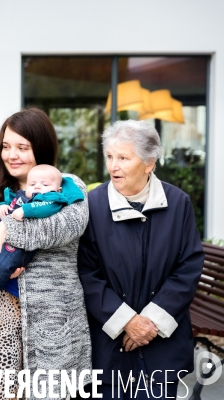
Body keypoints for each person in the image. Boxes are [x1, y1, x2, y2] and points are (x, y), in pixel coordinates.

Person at [0, 108, 92, 399]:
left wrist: (6, 228)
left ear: (41, 148)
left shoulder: (66, 186)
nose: (11, 155)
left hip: (50, 322)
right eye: (6, 146)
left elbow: (63, 227)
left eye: (22, 147)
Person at [77, 120, 204, 399]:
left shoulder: (178, 203)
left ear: (149, 164)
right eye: (110, 156)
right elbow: (85, 272)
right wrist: (126, 321)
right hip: (109, 348)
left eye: (123, 157)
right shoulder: (92, 206)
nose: (113, 166)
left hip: (163, 349)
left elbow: (189, 267)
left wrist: (150, 321)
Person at [0, 164, 85, 306]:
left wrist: (24, 211)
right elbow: (10, 205)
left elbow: (45, 210)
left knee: (2, 264)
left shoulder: (51, 199)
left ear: (58, 189)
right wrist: (1, 207)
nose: (37, 187)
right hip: (3, 247)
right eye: (32, 184)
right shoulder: (21, 197)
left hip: (19, 250)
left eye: (44, 184)